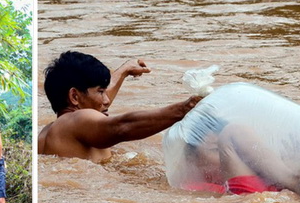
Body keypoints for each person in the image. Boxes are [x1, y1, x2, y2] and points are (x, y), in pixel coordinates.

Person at [38, 51, 203, 162]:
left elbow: (95, 107)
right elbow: (122, 126)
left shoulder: (49, 132)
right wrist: (187, 107)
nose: (107, 100)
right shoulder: (76, 121)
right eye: (100, 91)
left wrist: (125, 70)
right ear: (74, 96)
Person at [183, 117, 300, 199]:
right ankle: (299, 181)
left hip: (279, 195)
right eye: (216, 149)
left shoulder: (265, 169)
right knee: (233, 131)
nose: (224, 156)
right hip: (244, 195)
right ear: (196, 163)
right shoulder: (193, 187)